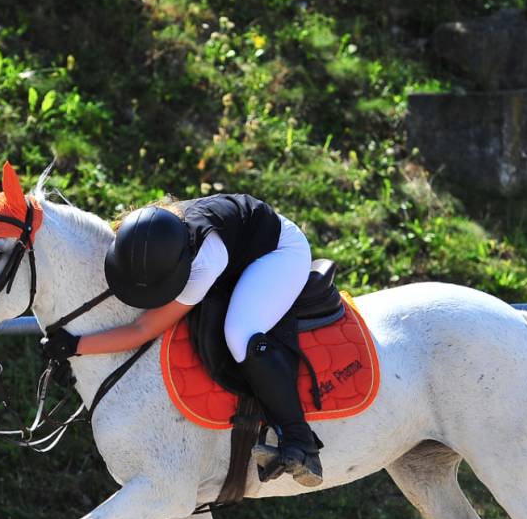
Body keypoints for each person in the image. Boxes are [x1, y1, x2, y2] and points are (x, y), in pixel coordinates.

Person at [41, 195, 323, 487]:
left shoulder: (205, 263)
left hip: (279, 251)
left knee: (240, 334)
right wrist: (75, 347)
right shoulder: (141, 232)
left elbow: (143, 329)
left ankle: (300, 442)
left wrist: (77, 345)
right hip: (235, 235)